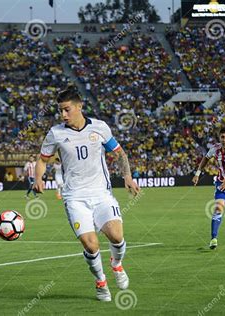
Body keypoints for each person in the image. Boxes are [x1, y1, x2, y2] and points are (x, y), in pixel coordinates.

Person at [33, 86, 141, 302]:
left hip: (101, 194)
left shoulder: (100, 128)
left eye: (66, 110)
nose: (63, 115)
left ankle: (117, 265)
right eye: (60, 111)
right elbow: (43, 159)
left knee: (117, 236)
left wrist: (127, 177)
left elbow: (119, 153)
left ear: (79, 107)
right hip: (74, 197)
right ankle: (101, 282)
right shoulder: (56, 133)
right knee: (91, 245)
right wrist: (38, 179)